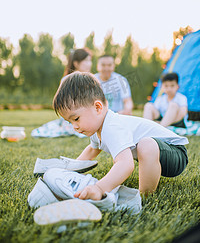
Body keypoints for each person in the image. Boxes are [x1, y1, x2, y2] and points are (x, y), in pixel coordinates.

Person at [53, 72, 189, 200]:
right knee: (145, 145)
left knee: (146, 145)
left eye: (76, 119)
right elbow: (92, 150)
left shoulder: (112, 125)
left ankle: (145, 196)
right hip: (159, 154)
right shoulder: (98, 128)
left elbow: (125, 164)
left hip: (175, 152)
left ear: (98, 108)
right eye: (69, 122)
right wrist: (70, 171)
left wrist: (99, 188)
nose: (74, 126)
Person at [31, 48, 92, 138]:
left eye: (90, 61)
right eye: (86, 61)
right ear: (76, 63)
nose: (90, 64)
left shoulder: (90, 79)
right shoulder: (67, 80)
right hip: (74, 118)